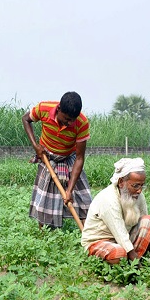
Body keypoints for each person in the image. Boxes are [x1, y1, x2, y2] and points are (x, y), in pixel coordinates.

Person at [22, 91, 92, 229]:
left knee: (84, 200)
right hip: (47, 156)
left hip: (69, 156)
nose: (69, 123)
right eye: (66, 118)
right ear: (59, 109)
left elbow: (79, 158)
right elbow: (26, 119)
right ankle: (45, 234)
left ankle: (89, 234)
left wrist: (69, 190)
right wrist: (36, 146)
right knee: (45, 199)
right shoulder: (43, 108)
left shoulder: (82, 123)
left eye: (73, 119)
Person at [81, 158, 150, 265]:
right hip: (100, 242)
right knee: (118, 253)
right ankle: (131, 264)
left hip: (124, 239)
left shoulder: (138, 195)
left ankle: (130, 262)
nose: (139, 190)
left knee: (149, 221)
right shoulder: (108, 198)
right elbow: (119, 232)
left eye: (142, 185)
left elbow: (148, 230)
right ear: (121, 182)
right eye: (135, 185)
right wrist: (138, 272)